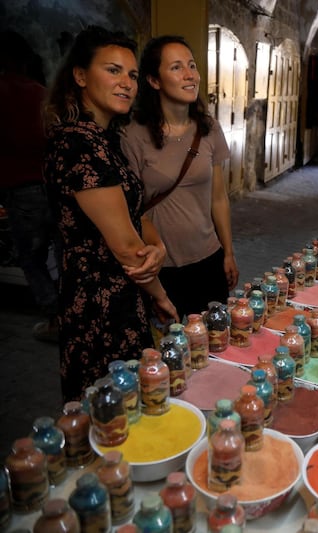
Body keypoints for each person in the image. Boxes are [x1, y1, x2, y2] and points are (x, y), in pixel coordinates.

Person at [43, 26, 178, 402]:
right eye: (113, 70)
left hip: (122, 293)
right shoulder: (77, 143)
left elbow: (135, 215)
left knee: (130, 403)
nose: (127, 83)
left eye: (132, 75)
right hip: (97, 302)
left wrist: (159, 247)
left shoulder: (106, 140)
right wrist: (160, 295)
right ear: (81, 75)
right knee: (109, 410)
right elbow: (123, 246)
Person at [122, 35, 238, 319]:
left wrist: (228, 252)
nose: (190, 75)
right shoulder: (133, 135)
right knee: (168, 354)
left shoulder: (208, 128)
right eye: (176, 67)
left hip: (207, 258)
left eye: (191, 65)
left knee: (212, 349)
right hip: (161, 266)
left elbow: (219, 198)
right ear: (154, 81)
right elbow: (128, 209)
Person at [0, 30, 60, 343]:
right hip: (53, 186)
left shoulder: (4, 91)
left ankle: (54, 317)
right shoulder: (41, 93)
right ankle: (68, 314)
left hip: (21, 188)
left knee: (31, 258)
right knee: (61, 253)